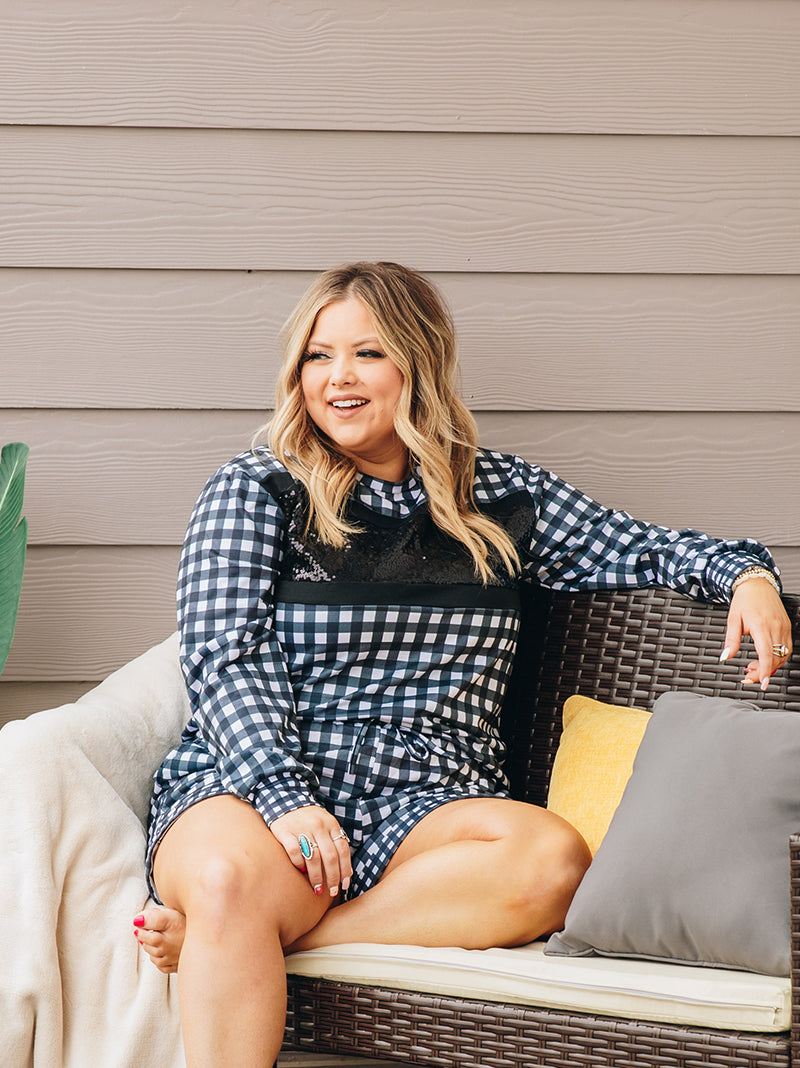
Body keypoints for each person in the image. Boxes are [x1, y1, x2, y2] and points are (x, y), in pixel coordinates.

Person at [133, 261, 792, 1067]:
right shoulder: (255, 491)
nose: (337, 379)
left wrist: (747, 574)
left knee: (553, 861)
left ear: (419, 363)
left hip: (429, 806)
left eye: (367, 354)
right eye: (317, 356)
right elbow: (225, 656)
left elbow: (644, 548)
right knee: (229, 882)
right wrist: (284, 800)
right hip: (262, 789)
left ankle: (253, 940)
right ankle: (236, 917)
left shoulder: (503, 500)